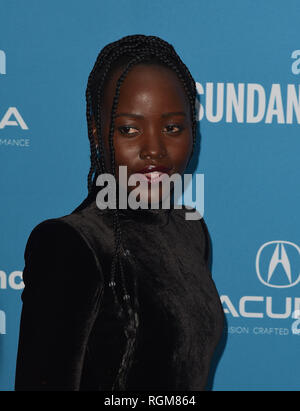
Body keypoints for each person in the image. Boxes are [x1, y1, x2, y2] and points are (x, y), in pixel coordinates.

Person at [14, 34, 224, 391]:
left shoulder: (191, 229)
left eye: (172, 127)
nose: (154, 150)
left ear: (194, 133)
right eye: (129, 129)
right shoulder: (70, 244)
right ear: (98, 135)